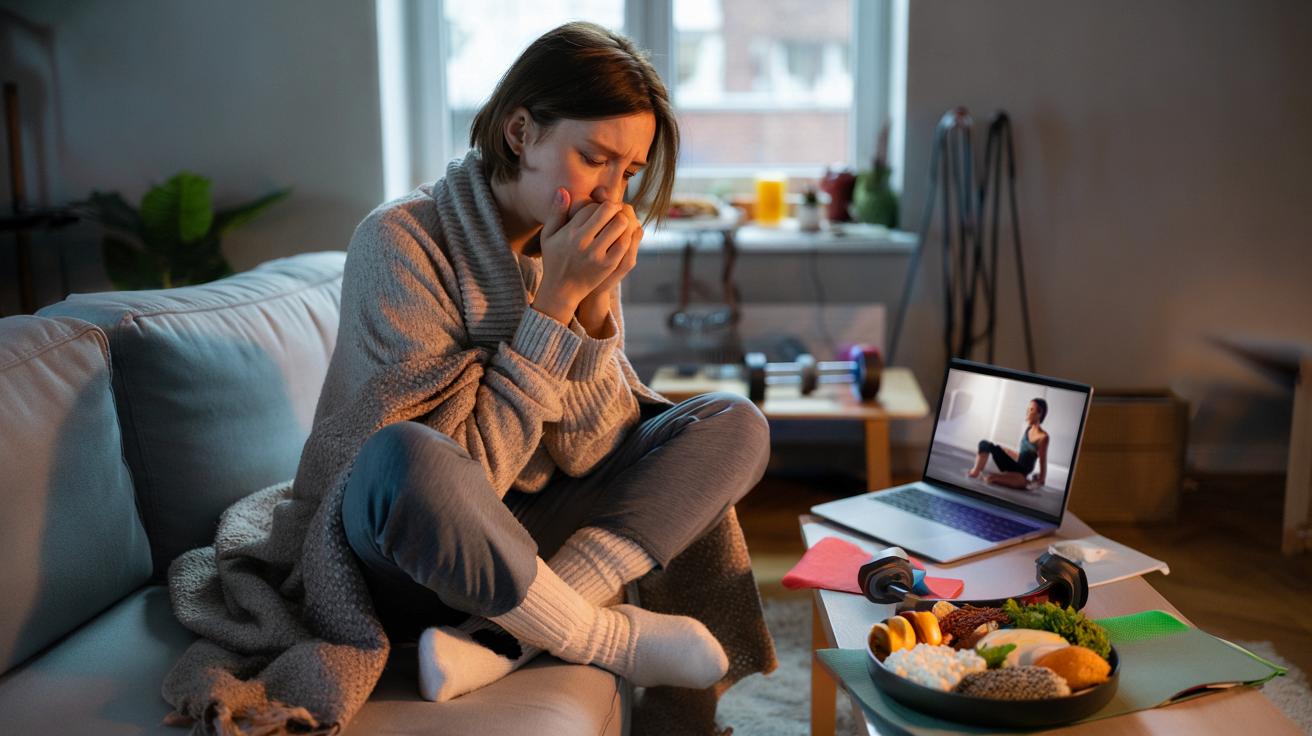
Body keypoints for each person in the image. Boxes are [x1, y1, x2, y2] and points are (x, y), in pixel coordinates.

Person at [162, 21, 774, 734]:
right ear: (520, 132)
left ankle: (507, 636)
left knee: (733, 423)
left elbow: (593, 450)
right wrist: (553, 309)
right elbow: (463, 475)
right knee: (405, 456)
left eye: (630, 172)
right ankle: (595, 633)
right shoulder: (400, 240)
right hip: (413, 545)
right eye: (594, 157)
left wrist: (595, 311)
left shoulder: (568, 243)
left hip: (529, 534)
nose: (614, 193)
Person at [966, 398, 1049, 490]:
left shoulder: (1043, 437)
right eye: (1028, 409)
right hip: (1014, 466)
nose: (1027, 412)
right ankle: (976, 471)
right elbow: (1022, 456)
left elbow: (1043, 461)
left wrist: (1041, 479)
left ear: (1040, 413)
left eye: (1031, 409)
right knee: (985, 444)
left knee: (991, 478)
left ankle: (1020, 480)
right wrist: (1006, 451)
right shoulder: (1028, 430)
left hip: (1021, 473)